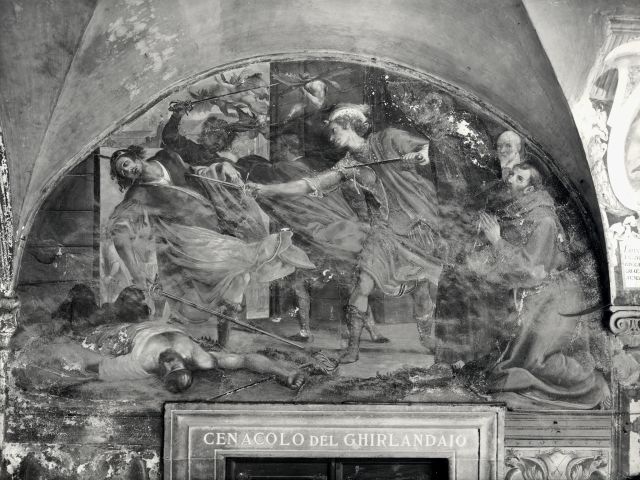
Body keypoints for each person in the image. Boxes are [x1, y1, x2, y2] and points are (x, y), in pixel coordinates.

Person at [248, 104, 443, 363]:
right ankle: (352, 349)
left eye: (335, 130)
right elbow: (310, 185)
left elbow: (430, 148)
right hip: (383, 232)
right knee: (363, 284)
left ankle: (427, 339)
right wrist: (267, 190)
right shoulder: (348, 165)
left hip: (416, 227)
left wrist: (420, 156)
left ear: (350, 125)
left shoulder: (388, 139)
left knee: (421, 288)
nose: (331, 137)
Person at [108, 145, 314, 347]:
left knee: (239, 278)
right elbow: (119, 232)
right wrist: (137, 276)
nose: (128, 170)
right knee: (243, 263)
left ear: (134, 156)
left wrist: (221, 168)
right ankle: (284, 255)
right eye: (123, 172)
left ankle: (223, 343)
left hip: (216, 224)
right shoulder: (138, 193)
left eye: (126, 164)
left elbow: (196, 173)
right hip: (189, 241)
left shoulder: (167, 157)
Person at [472, 162, 610, 408]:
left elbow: (532, 268)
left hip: (558, 297)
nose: (510, 180)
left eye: (519, 178)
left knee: (538, 362)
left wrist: (497, 240)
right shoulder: (519, 210)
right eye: (512, 174)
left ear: (530, 189)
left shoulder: (543, 219)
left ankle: (597, 387)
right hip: (540, 293)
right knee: (516, 358)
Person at [83, 320, 305, 393]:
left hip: (127, 330)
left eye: (169, 370)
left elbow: (94, 367)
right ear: (188, 366)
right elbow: (243, 359)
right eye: (176, 367)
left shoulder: (141, 363)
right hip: (159, 322)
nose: (170, 364)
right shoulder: (200, 358)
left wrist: (283, 373)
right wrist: (283, 372)